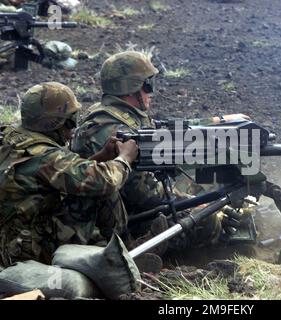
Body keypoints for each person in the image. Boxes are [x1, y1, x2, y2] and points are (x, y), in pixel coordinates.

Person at [71, 50, 250, 252]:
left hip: (124, 207)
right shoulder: (114, 131)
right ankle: (212, 254)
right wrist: (197, 205)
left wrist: (218, 122)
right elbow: (144, 195)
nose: (151, 92)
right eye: (148, 86)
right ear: (132, 88)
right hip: (120, 224)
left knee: (201, 183)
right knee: (209, 219)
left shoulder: (115, 114)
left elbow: (163, 130)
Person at [0, 82, 138, 268]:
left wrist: (100, 158)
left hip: (10, 239)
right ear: (56, 123)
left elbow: (65, 175)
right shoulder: (46, 157)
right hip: (28, 251)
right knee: (101, 192)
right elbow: (104, 181)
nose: (72, 129)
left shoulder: (13, 139)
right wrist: (124, 158)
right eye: (70, 121)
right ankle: (120, 258)